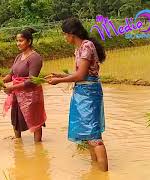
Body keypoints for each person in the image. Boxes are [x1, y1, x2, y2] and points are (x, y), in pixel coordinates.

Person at [45, 18, 108, 171]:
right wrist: (60, 75)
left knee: (94, 137)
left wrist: (59, 81)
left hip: (89, 94)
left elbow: (81, 76)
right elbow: (80, 73)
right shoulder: (79, 48)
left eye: (64, 34)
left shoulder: (87, 46)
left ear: (72, 34)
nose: (64, 37)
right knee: (88, 136)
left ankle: (104, 173)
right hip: (82, 93)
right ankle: (96, 171)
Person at [3, 28, 46, 142]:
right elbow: (11, 74)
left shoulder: (35, 58)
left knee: (35, 121)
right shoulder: (19, 57)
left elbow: (32, 80)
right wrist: (3, 81)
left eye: (21, 41)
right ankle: (18, 142)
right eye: (17, 41)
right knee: (15, 117)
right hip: (18, 94)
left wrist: (12, 87)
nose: (18, 43)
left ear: (29, 42)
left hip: (31, 95)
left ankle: (38, 147)